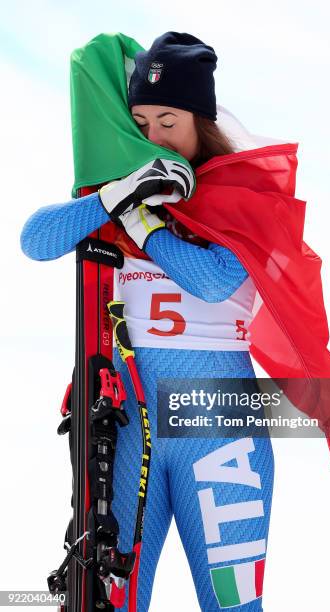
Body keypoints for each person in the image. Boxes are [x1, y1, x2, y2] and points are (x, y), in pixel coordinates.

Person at [21, 32, 274, 611]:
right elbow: (36, 240)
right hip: (130, 427)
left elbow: (211, 281)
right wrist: (120, 194)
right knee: (112, 602)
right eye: (140, 121)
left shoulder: (244, 191)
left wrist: (145, 230)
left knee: (233, 605)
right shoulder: (124, 197)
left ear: (201, 121)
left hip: (220, 427)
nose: (154, 137)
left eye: (169, 120)